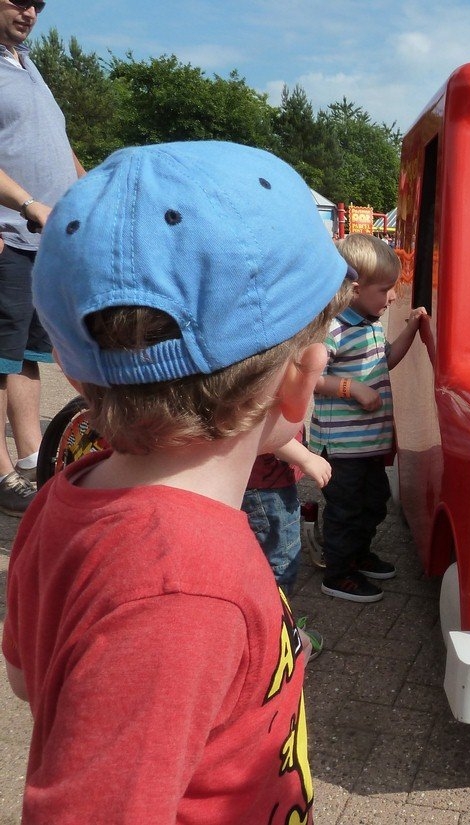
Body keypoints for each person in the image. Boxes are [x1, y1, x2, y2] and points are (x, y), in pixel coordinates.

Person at [3, 141, 354, 820]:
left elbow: (25, 678)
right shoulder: (188, 588)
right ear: (301, 384)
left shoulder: (67, 492)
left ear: (74, 374)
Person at [0, 0, 86, 514]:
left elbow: (59, 145)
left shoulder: (23, 61)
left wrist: (93, 190)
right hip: (9, 234)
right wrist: (31, 205)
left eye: (40, 4)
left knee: (27, 356)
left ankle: (31, 457)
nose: (30, 11)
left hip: (42, 240)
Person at [311, 233, 428, 603]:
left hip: (367, 446)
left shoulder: (370, 322)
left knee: (373, 502)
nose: (392, 297)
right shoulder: (334, 328)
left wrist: (412, 328)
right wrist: (351, 389)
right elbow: (308, 377)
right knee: (345, 510)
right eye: (386, 289)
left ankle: (358, 554)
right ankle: (338, 572)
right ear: (356, 290)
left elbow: (386, 360)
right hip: (342, 448)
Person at [244, 433, 330, 658]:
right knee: (280, 565)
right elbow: (265, 429)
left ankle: (271, 630)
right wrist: (307, 459)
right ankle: (277, 642)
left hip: (262, 484)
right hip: (267, 489)